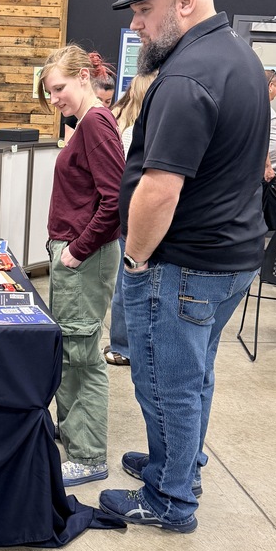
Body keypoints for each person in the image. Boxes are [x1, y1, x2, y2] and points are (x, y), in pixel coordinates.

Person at [99, 0, 268, 533]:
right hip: (232, 258)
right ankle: (178, 460)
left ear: (185, 2)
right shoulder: (241, 60)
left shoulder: (185, 77)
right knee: (194, 373)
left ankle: (171, 498)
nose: (136, 27)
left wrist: (136, 259)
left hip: (185, 264)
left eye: (145, 12)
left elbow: (159, 189)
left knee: (162, 378)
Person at [38, 44, 125, 486]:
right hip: (74, 252)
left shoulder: (94, 123)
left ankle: (89, 454)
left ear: (84, 78)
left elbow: (114, 201)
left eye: (59, 88)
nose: (54, 99)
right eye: (50, 92)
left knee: (83, 355)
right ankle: (72, 435)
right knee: (71, 351)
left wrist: (76, 250)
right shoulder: (87, 124)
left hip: (83, 257)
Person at [102, 72, 158, 367]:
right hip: (143, 211)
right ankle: (128, 345)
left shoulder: (118, 120)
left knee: (128, 279)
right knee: (134, 280)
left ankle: (123, 345)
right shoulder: (145, 126)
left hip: (129, 210)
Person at [60, 51, 114, 142]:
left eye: (108, 101)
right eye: (98, 100)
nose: (102, 105)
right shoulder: (74, 114)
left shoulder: (108, 117)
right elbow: (68, 144)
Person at [261, 69, 276, 232]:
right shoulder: (262, 107)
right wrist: (268, 167)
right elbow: (261, 138)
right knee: (271, 218)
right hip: (266, 174)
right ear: (270, 86)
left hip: (269, 174)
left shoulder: (266, 107)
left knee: (271, 217)